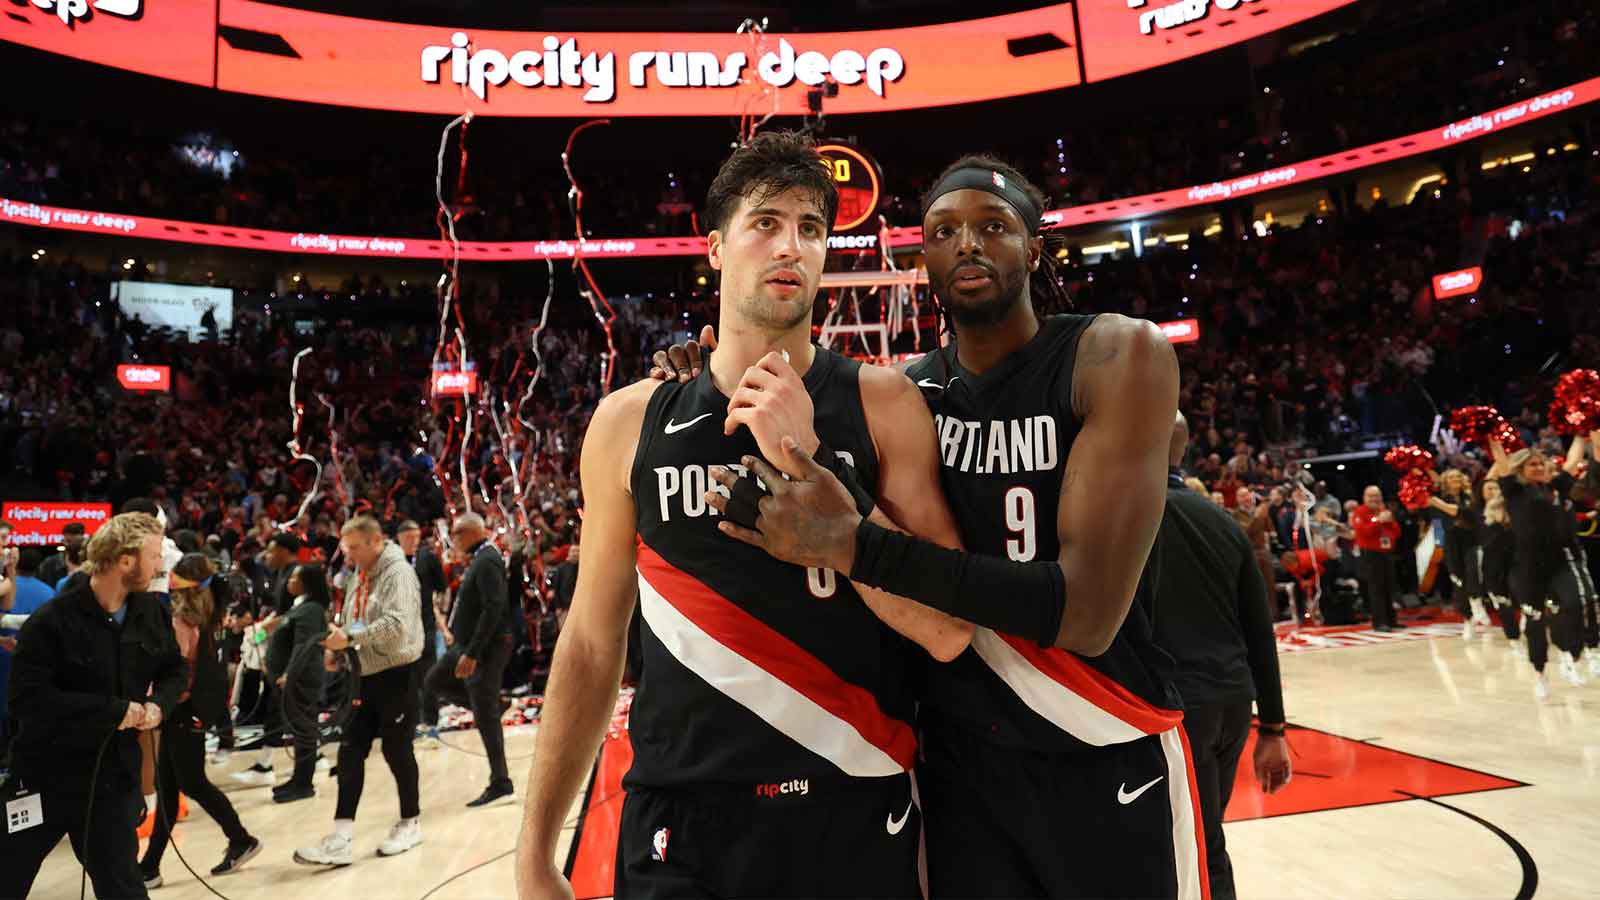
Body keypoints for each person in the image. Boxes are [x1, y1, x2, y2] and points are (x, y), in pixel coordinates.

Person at [675, 153, 1195, 898]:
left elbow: (1086, 617)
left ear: (1036, 246)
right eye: (945, 230)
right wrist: (698, 364)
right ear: (924, 257)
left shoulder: (1112, 353)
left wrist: (855, 544)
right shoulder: (910, 392)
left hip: (1101, 743)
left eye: (994, 227)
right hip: (961, 772)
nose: (969, 245)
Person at [516, 132, 968, 900]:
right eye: (765, 222)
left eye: (811, 228)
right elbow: (593, 645)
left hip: (852, 805)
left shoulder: (885, 405)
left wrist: (814, 473)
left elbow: (948, 630)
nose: (790, 245)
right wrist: (534, 850)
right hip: (680, 823)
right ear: (716, 247)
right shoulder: (629, 421)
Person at [0, 512, 186, 900]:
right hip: (42, 776)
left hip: (111, 781)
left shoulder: (151, 612)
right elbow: (26, 699)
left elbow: (173, 671)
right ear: (125, 560)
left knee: (123, 887)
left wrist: (157, 706)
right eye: (153, 555)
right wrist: (114, 711)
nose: (160, 565)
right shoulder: (53, 621)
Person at [1157, 413, 1291, 900]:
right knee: (1205, 837)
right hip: (1231, 704)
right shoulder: (1224, 523)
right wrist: (1273, 728)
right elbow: (1262, 634)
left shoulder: (1127, 517)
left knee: (1186, 846)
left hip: (1172, 709)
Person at [294, 515, 425, 867]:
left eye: (353, 547)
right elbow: (356, 617)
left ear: (375, 541)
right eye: (346, 548)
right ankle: (341, 836)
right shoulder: (360, 573)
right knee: (350, 750)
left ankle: (411, 822)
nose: (348, 554)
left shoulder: (397, 573)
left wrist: (351, 638)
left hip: (397, 673)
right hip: (363, 672)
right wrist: (342, 647)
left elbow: (396, 624)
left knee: (398, 750)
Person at [140, 553, 261, 888]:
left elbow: (175, 677)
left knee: (192, 784)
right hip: (192, 709)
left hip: (181, 711)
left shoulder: (182, 624)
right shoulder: (209, 616)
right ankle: (150, 866)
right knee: (167, 790)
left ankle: (241, 838)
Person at [1488, 436, 1596, 697]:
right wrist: (1490, 435)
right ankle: (1540, 674)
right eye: (1531, 464)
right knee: (1535, 621)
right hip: (1528, 566)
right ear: (1521, 469)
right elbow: (1500, 459)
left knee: (1575, 603)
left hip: (1560, 560)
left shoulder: (1557, 486)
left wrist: (1581, 433)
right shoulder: (1514, 490)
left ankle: (1573, 655)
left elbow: (1573, 459)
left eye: (1540, 463)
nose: (1537, 467)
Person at [425, 513, 516, 807]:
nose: (455, 538)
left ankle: (501, 782)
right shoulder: (481, 558)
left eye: (458, 533)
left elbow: (494, 608)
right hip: (467, 644)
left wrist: (473, 653)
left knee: (485, 716)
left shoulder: (488, 559)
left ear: (472, 532)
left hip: (486, 647)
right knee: (434, 680)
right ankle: (493, 705)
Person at [265, 563, 333, 804]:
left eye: (294, 577)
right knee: (298, 731)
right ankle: (298, 779)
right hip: (293, 680)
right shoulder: (300, 607)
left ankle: (304, 784)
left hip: (302, 681)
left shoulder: (312, 609)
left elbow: (304, 646)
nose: (289, 581)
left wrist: (289, 674)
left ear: (306, 582)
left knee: (304, 732)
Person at [397, 520, 448, 739]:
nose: (413, 541)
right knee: (407, 679)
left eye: (416, 537)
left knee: (428, 676)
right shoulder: (393, 561)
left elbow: (442, 588)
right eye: (408, 537)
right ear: (399, 538)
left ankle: (431, 721)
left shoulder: (427, 558)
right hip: (400, 629)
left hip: (424, 625)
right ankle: (412, 721)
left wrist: (442, 617)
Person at [1428, 469, 1490, 638]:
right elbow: (1437, 524)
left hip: (1471, 541)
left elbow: (1468, 515)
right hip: (1451, 544)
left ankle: (1477, 603)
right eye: (1451, 477)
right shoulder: (1439, 500)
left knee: (1473, 572)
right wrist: (1439, 546)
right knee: (1458, 580)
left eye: (1458, 476)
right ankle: (1467, 620)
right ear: (1445, 481)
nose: (1456, 479)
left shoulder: (1469, 497)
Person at [1350, 486, 1402, 631]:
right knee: (1376, 588)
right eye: (1371, 496)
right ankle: (1380, 622)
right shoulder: (1360, 512)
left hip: (1386, 553)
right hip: (1370, 554)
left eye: (1377, 496)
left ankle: (1391, 620)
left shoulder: (1384, 510)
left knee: (1389, 586)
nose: (1375, 499)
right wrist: (1379, 521)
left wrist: (1389, 521)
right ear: (1364, 498)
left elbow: (1397, 532)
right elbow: (1364, 532)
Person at [1480, 492, 1518, 640]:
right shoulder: (1489, 530)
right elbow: (1489, 557)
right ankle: (1513, 638)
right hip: (1496, 572)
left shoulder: (1516, 527)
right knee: (1503, 604)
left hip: (1517, 569)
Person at [36, 521, 85, 587]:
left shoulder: (92, 564)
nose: (72, 545)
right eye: (68, 541)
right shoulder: (49, 564)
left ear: (83, 541)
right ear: (63, 541)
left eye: (78, 542)